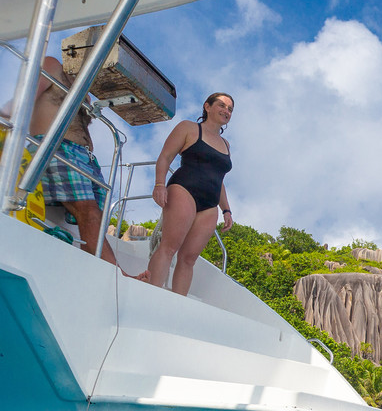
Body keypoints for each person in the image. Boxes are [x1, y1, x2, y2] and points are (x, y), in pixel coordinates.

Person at [139, 92, 234, 295]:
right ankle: (150, 294)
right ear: (207, 106)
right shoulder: (189, 128)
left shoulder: (226, 145)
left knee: (189, 258)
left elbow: (220, 180)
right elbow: (165, 157)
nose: (226, 111)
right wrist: (159, 184)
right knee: (169, 246)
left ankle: (177, 303)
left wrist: (226, 210)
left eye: (230, 109)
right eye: (222, 105)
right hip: (184, 189)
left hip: (209, 205)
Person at [30, 56, 119, 267]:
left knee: (96, 216)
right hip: (57, 145)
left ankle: (91, 267)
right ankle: (114, 272)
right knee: (88, 210)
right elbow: (27, 95)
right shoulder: (53, 65)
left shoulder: (85, 93)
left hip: (85, 157)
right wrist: (5, 121)